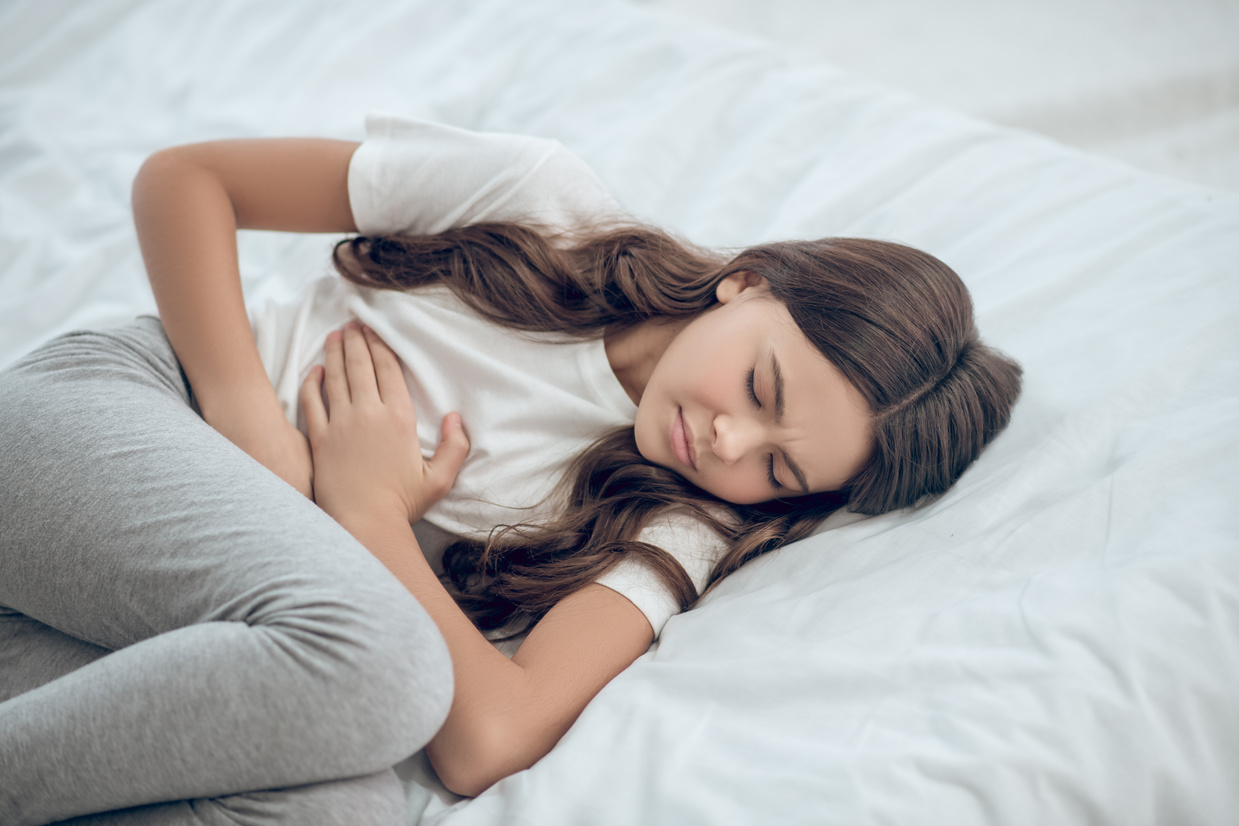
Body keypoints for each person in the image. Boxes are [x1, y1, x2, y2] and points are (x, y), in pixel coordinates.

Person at [0, 114, 1022, 824]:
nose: (729, 447)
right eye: (761, 389)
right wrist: (249, 418)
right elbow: (188, 179)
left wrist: (367, 511)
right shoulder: (541, 201)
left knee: (339, 808)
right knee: (390, 671)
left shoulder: (674, 524)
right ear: (747, 283)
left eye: (780, 468)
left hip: (148, 613)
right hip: (120, 412)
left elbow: (485, 740)